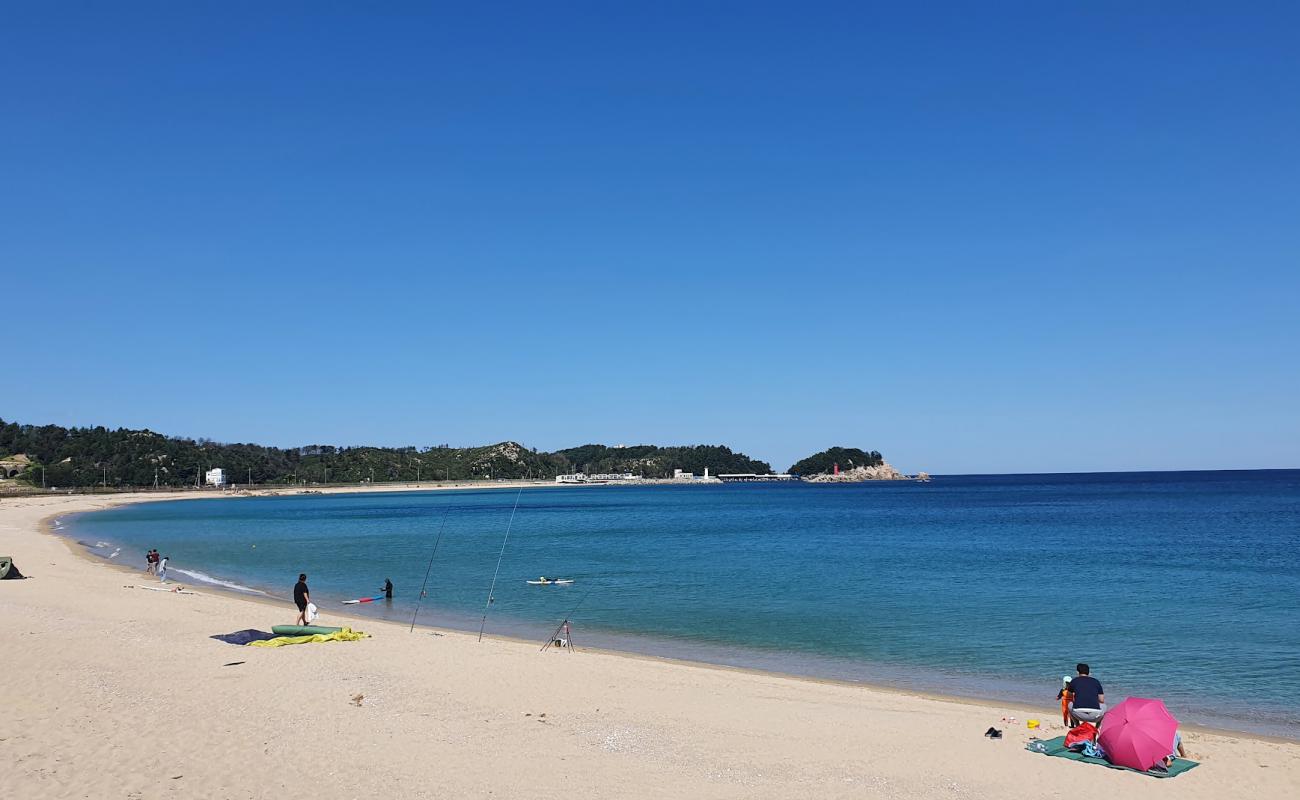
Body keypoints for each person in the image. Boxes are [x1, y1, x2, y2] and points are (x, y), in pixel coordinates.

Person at [1067, 663, 1105, 728]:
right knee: (1104, 706)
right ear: (1089, 672)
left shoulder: (1074, 681)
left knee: (1069, 704)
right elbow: (1102, 700)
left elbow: (1069, 696)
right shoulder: (1096, 681)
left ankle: (1078, 726)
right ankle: (1096, 728)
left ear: (1077, 672)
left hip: (1079, 714)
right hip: (1095, 716)